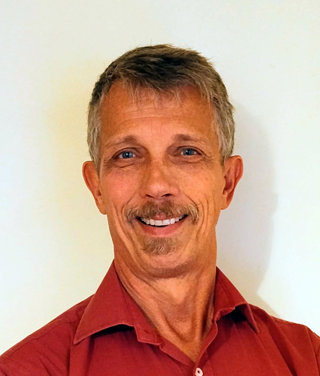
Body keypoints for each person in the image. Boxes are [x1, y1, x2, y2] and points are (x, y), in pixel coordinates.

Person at [0, 44, 319, 376]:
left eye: (186, 152)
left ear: (227, 182)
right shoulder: (28, 370)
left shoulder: (307, 359)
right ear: (97, 187)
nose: (156, 184)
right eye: (127, 155)